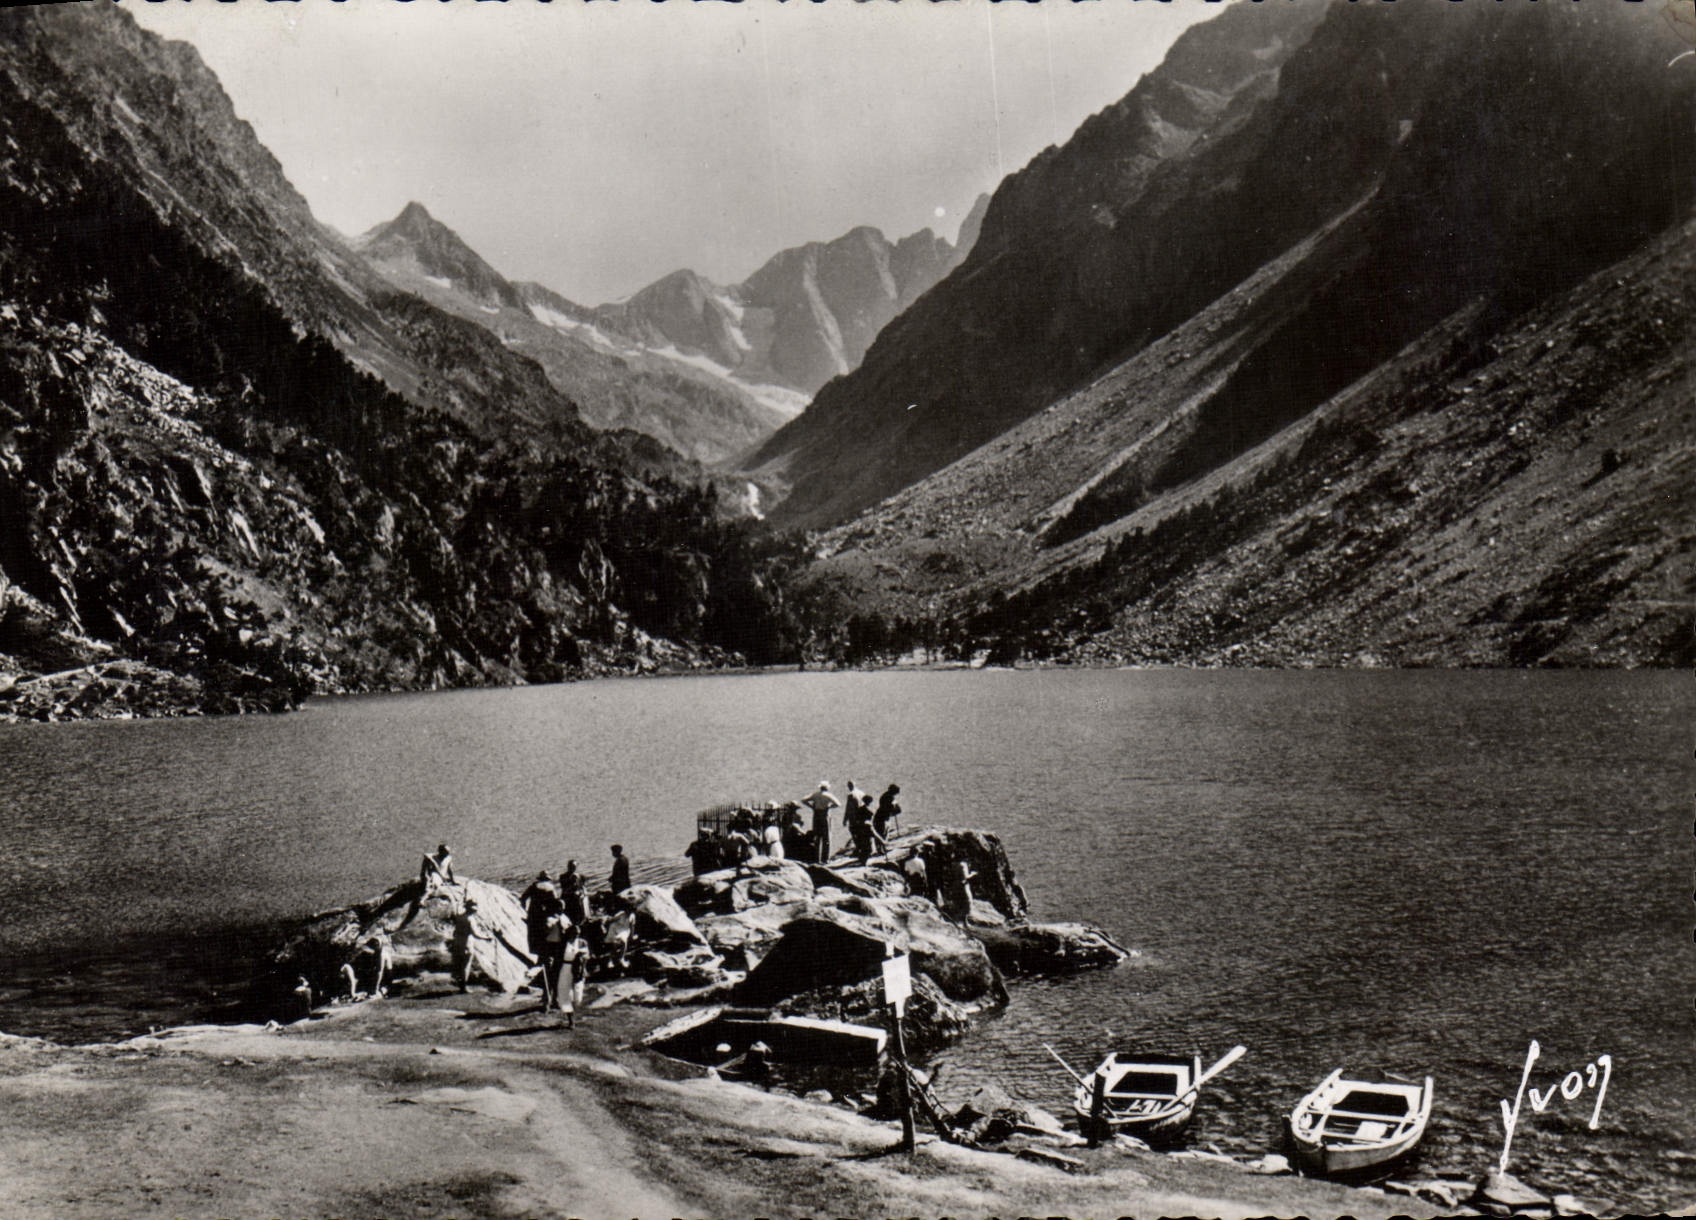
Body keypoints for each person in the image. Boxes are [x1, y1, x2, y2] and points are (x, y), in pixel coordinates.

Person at [450, 897, 493, 992]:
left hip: (457, 943)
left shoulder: (460, 917)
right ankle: (463, 987)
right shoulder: (470, 919)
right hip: (466, 944)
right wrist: (487, 937)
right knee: (466, 966)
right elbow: (475, 934)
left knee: (459, 964)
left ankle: (460, 985)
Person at [802, 781, 839, 864]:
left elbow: (803, 800)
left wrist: (812, 807)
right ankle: (825, 859)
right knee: (827, 838)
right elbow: (838, 804)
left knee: (817, 837)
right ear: (827, 788)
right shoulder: (828, 795)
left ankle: (816, 858)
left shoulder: (815, 794)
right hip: (825, 815)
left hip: (816, 815)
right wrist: (829, 807)